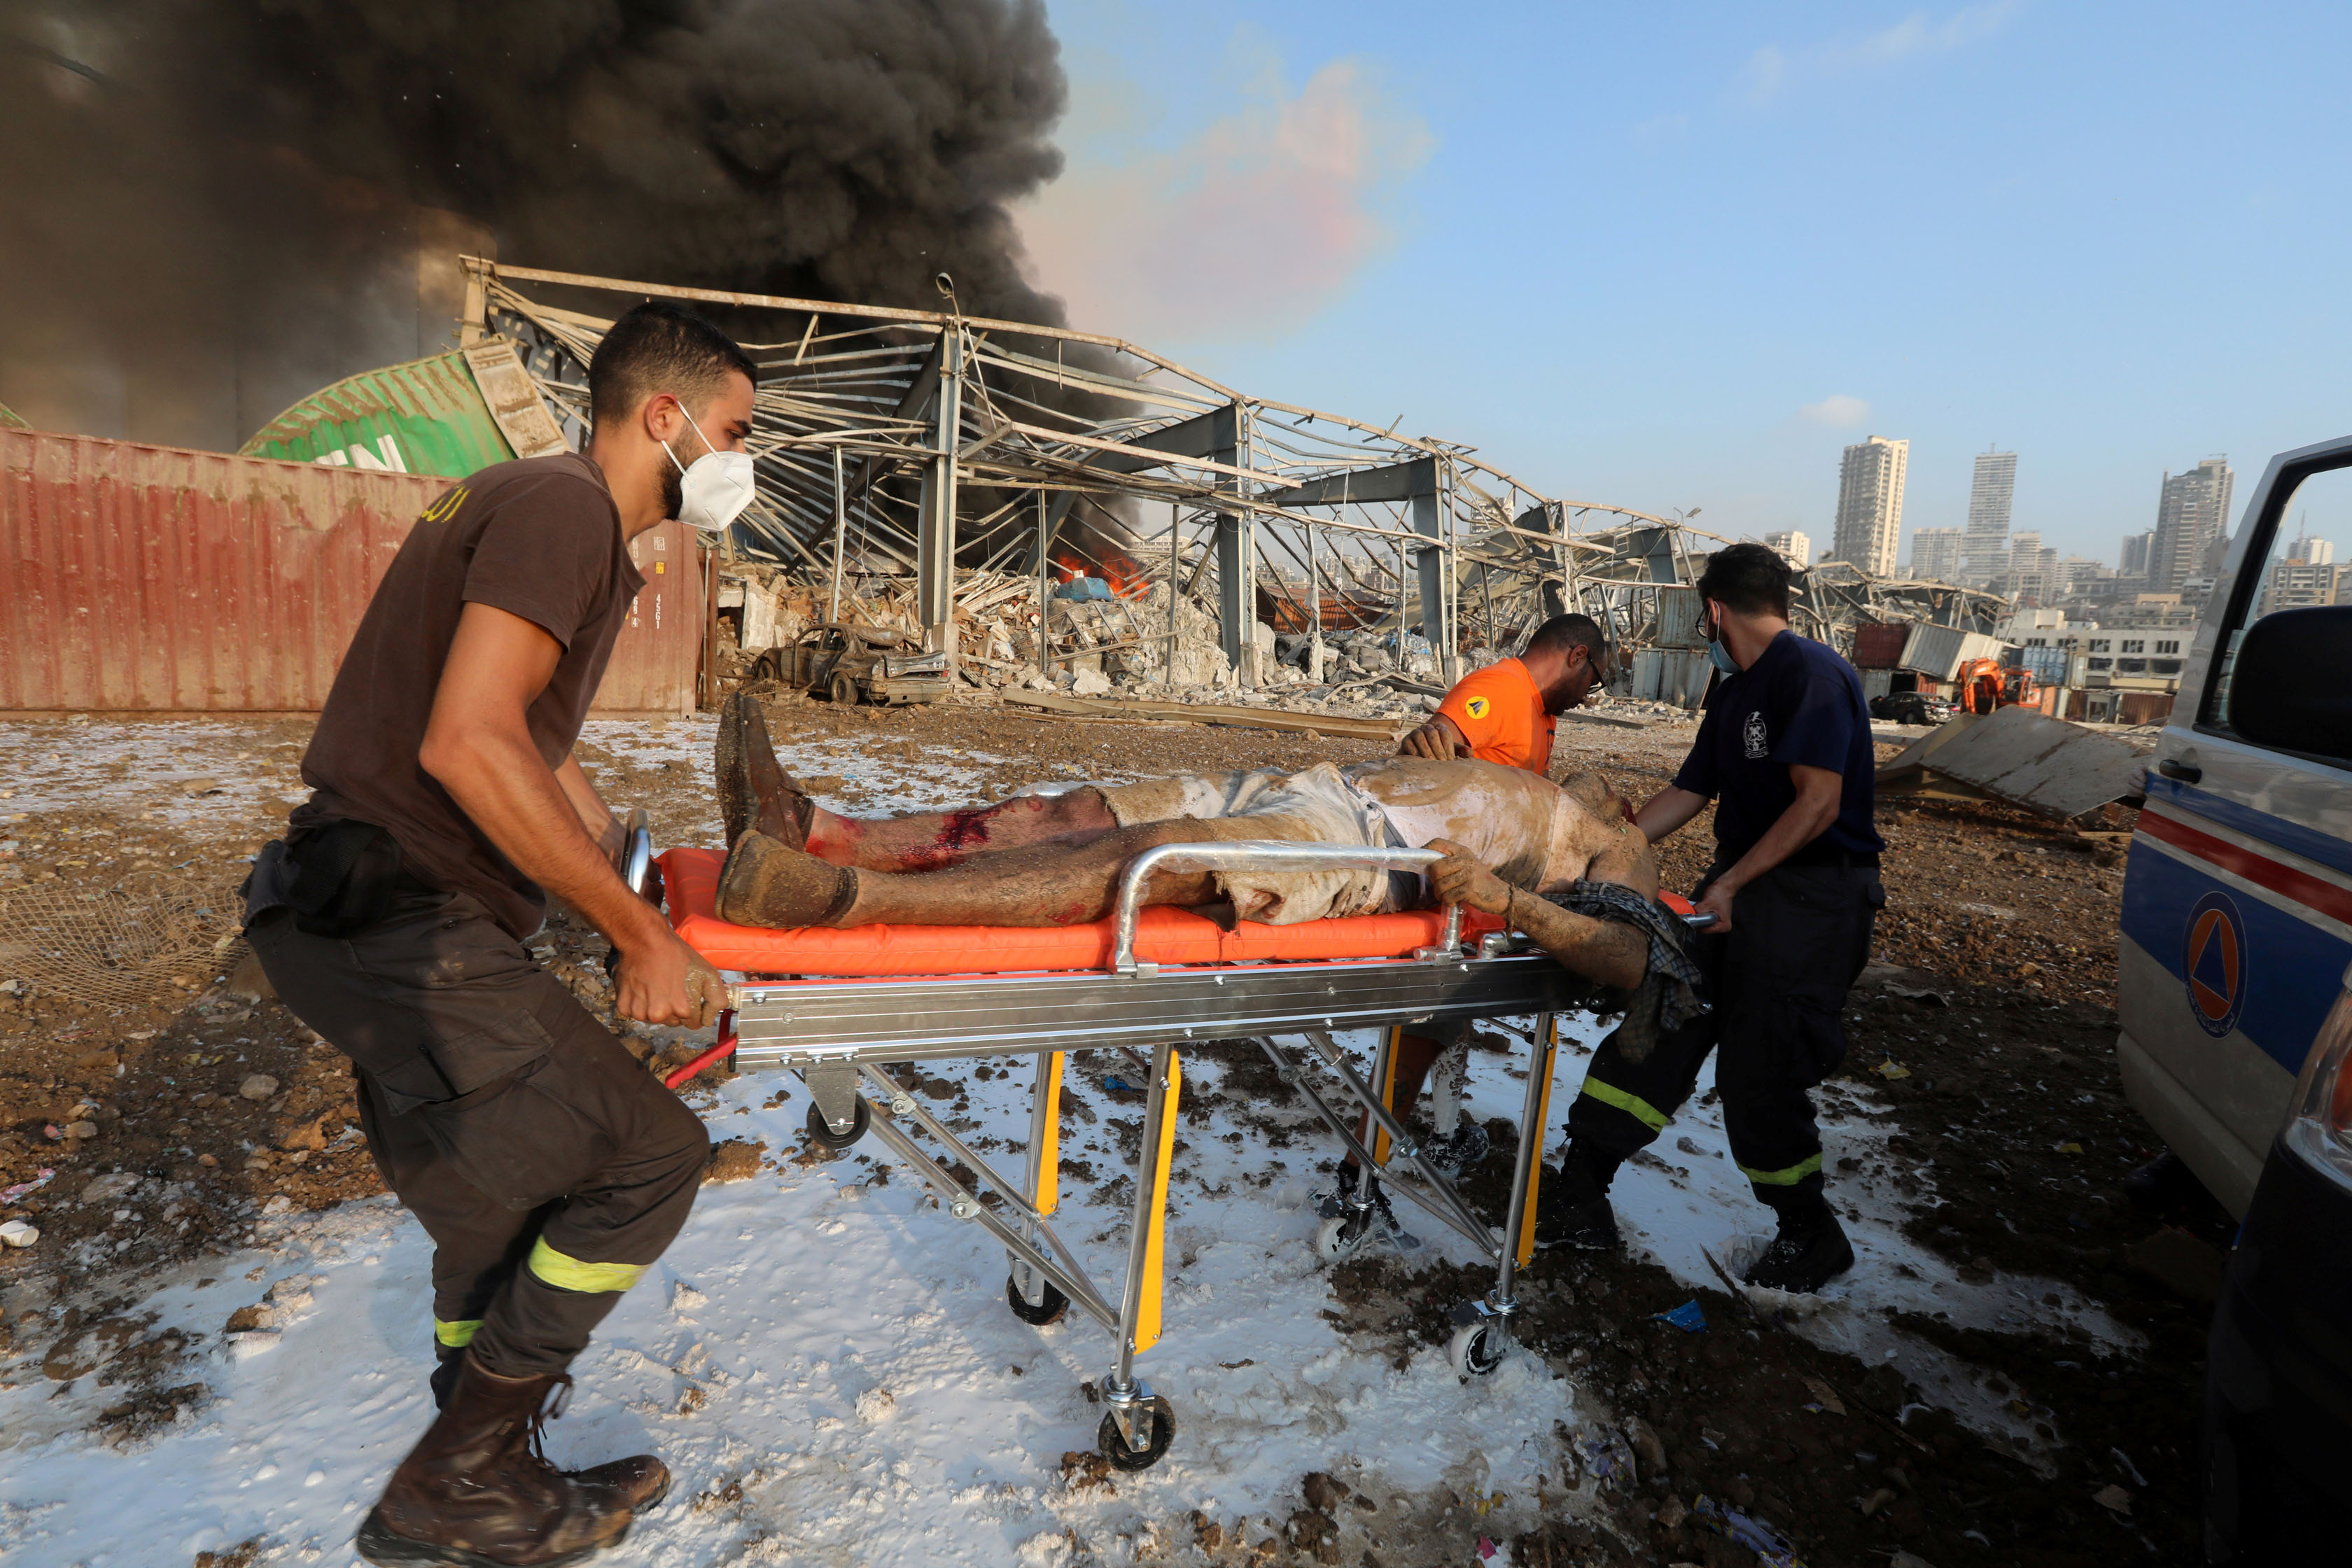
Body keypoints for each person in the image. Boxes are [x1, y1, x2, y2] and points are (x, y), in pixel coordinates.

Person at [242, 301, 755, 1567]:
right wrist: (636, 933)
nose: (748, 460)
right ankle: (458, 1480)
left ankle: (485, 1467)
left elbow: (526, 738)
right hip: (399, 911)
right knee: (649, 1162)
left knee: (492, 1211)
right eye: (739, 431)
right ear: (664, 416)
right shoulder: (563, 511)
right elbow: (465, 742)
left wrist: (628, 870)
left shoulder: (541, 504)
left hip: (344, 908)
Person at [1539, 542, 1886, 1294]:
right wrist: (1604, 847)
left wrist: (1731, 882)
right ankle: (1581, 1187)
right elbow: (1691, 791)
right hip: (1737, 887)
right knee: (1661, 1016)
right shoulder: (1731, 696)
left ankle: (1810, 1233)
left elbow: (1818, 803)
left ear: (1715, 610)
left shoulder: (1814, 677)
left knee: (1760, 1070)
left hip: (1814, 900)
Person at [712, 689, 1654, 931]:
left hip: (1366, 846)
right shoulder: (1531, 774)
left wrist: (1510, 901)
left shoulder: (1615, 843)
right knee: (1079, 808)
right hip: (1329, 786)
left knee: (1161, 854)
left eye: (1618, 790)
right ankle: (825, 834)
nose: (1607, 782)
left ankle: (841, 897)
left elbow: (1620, 952)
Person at [1375, 613, 1611, 1229]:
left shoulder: (1540, 715)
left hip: (1474, 906)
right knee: (1421, 1038)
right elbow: (1437, 741)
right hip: (1446, 901)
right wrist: (1427, 737)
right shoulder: (1502, 689)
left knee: (1448, 1025)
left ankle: (1448, 1131)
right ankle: (1361, 1173)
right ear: (1576, 655)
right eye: (1596, 680)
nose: (1591, 696)